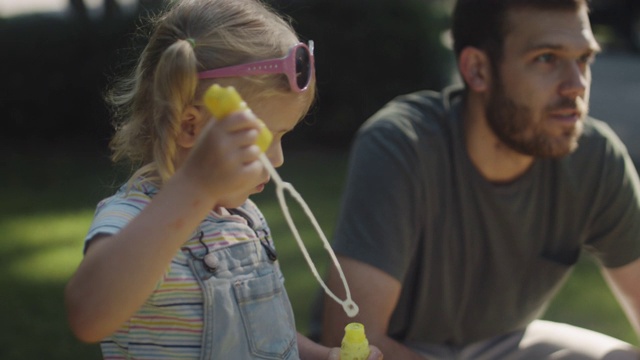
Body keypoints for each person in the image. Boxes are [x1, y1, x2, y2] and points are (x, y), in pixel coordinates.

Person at [314, 0, 640, 358]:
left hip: (506, 343)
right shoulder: (403, 145)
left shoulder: (596, 158)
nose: (576, 85)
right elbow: (352, 343)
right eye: (546, 58)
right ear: (477, 69)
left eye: (584, 59)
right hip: (399, 349)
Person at [63, 0, 383, 359]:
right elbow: (88, 315)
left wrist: (322, 357)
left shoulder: (243, 218)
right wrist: (194, 187)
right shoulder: (131, 219)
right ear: (190, 126)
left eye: (282, 137)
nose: (277, 159)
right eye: (261, 140)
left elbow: (264, 332)